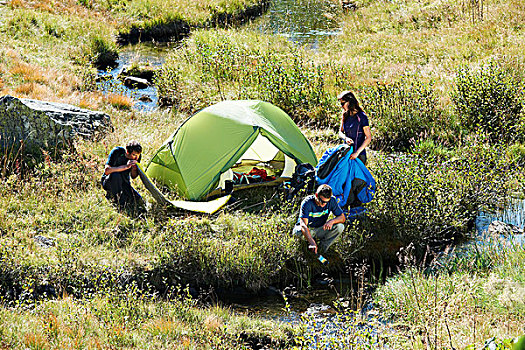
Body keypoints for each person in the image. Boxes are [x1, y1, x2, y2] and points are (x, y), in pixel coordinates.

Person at [293, 184, 345, 254]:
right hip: (308, 229)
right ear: (316, 195)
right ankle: (306, 249)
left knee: (340, 227)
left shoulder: (332, 201)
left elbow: (342, 218)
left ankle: (321, 250)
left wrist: (332, 221)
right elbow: (303, 225)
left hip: (320, 229)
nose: (324, 204)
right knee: (297, 232)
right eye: (322, 201)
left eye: (326, 202)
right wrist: (312, 242)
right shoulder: (307, 202)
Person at [101, 140, 145, 213]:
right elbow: (107, 170)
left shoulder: (136, 158)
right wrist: (126, 167)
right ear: (127, 152)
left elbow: (133, 176)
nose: (136, 158)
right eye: (134, 155)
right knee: (116, 175)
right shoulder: (117, 152)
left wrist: (134, 169)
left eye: (138, 155)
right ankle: (115, 199)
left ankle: (123, 197)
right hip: (109, 180)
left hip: (124, 182)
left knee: (137, 199)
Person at [337, 91, 372, 165]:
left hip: (359, 155)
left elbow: (368, 137)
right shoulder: (345, 115)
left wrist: (357, 153)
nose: (341, 106)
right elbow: (340, 132)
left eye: (343, 103)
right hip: (346, 154)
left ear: (350, 102)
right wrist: (345, 138)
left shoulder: (362, 117)